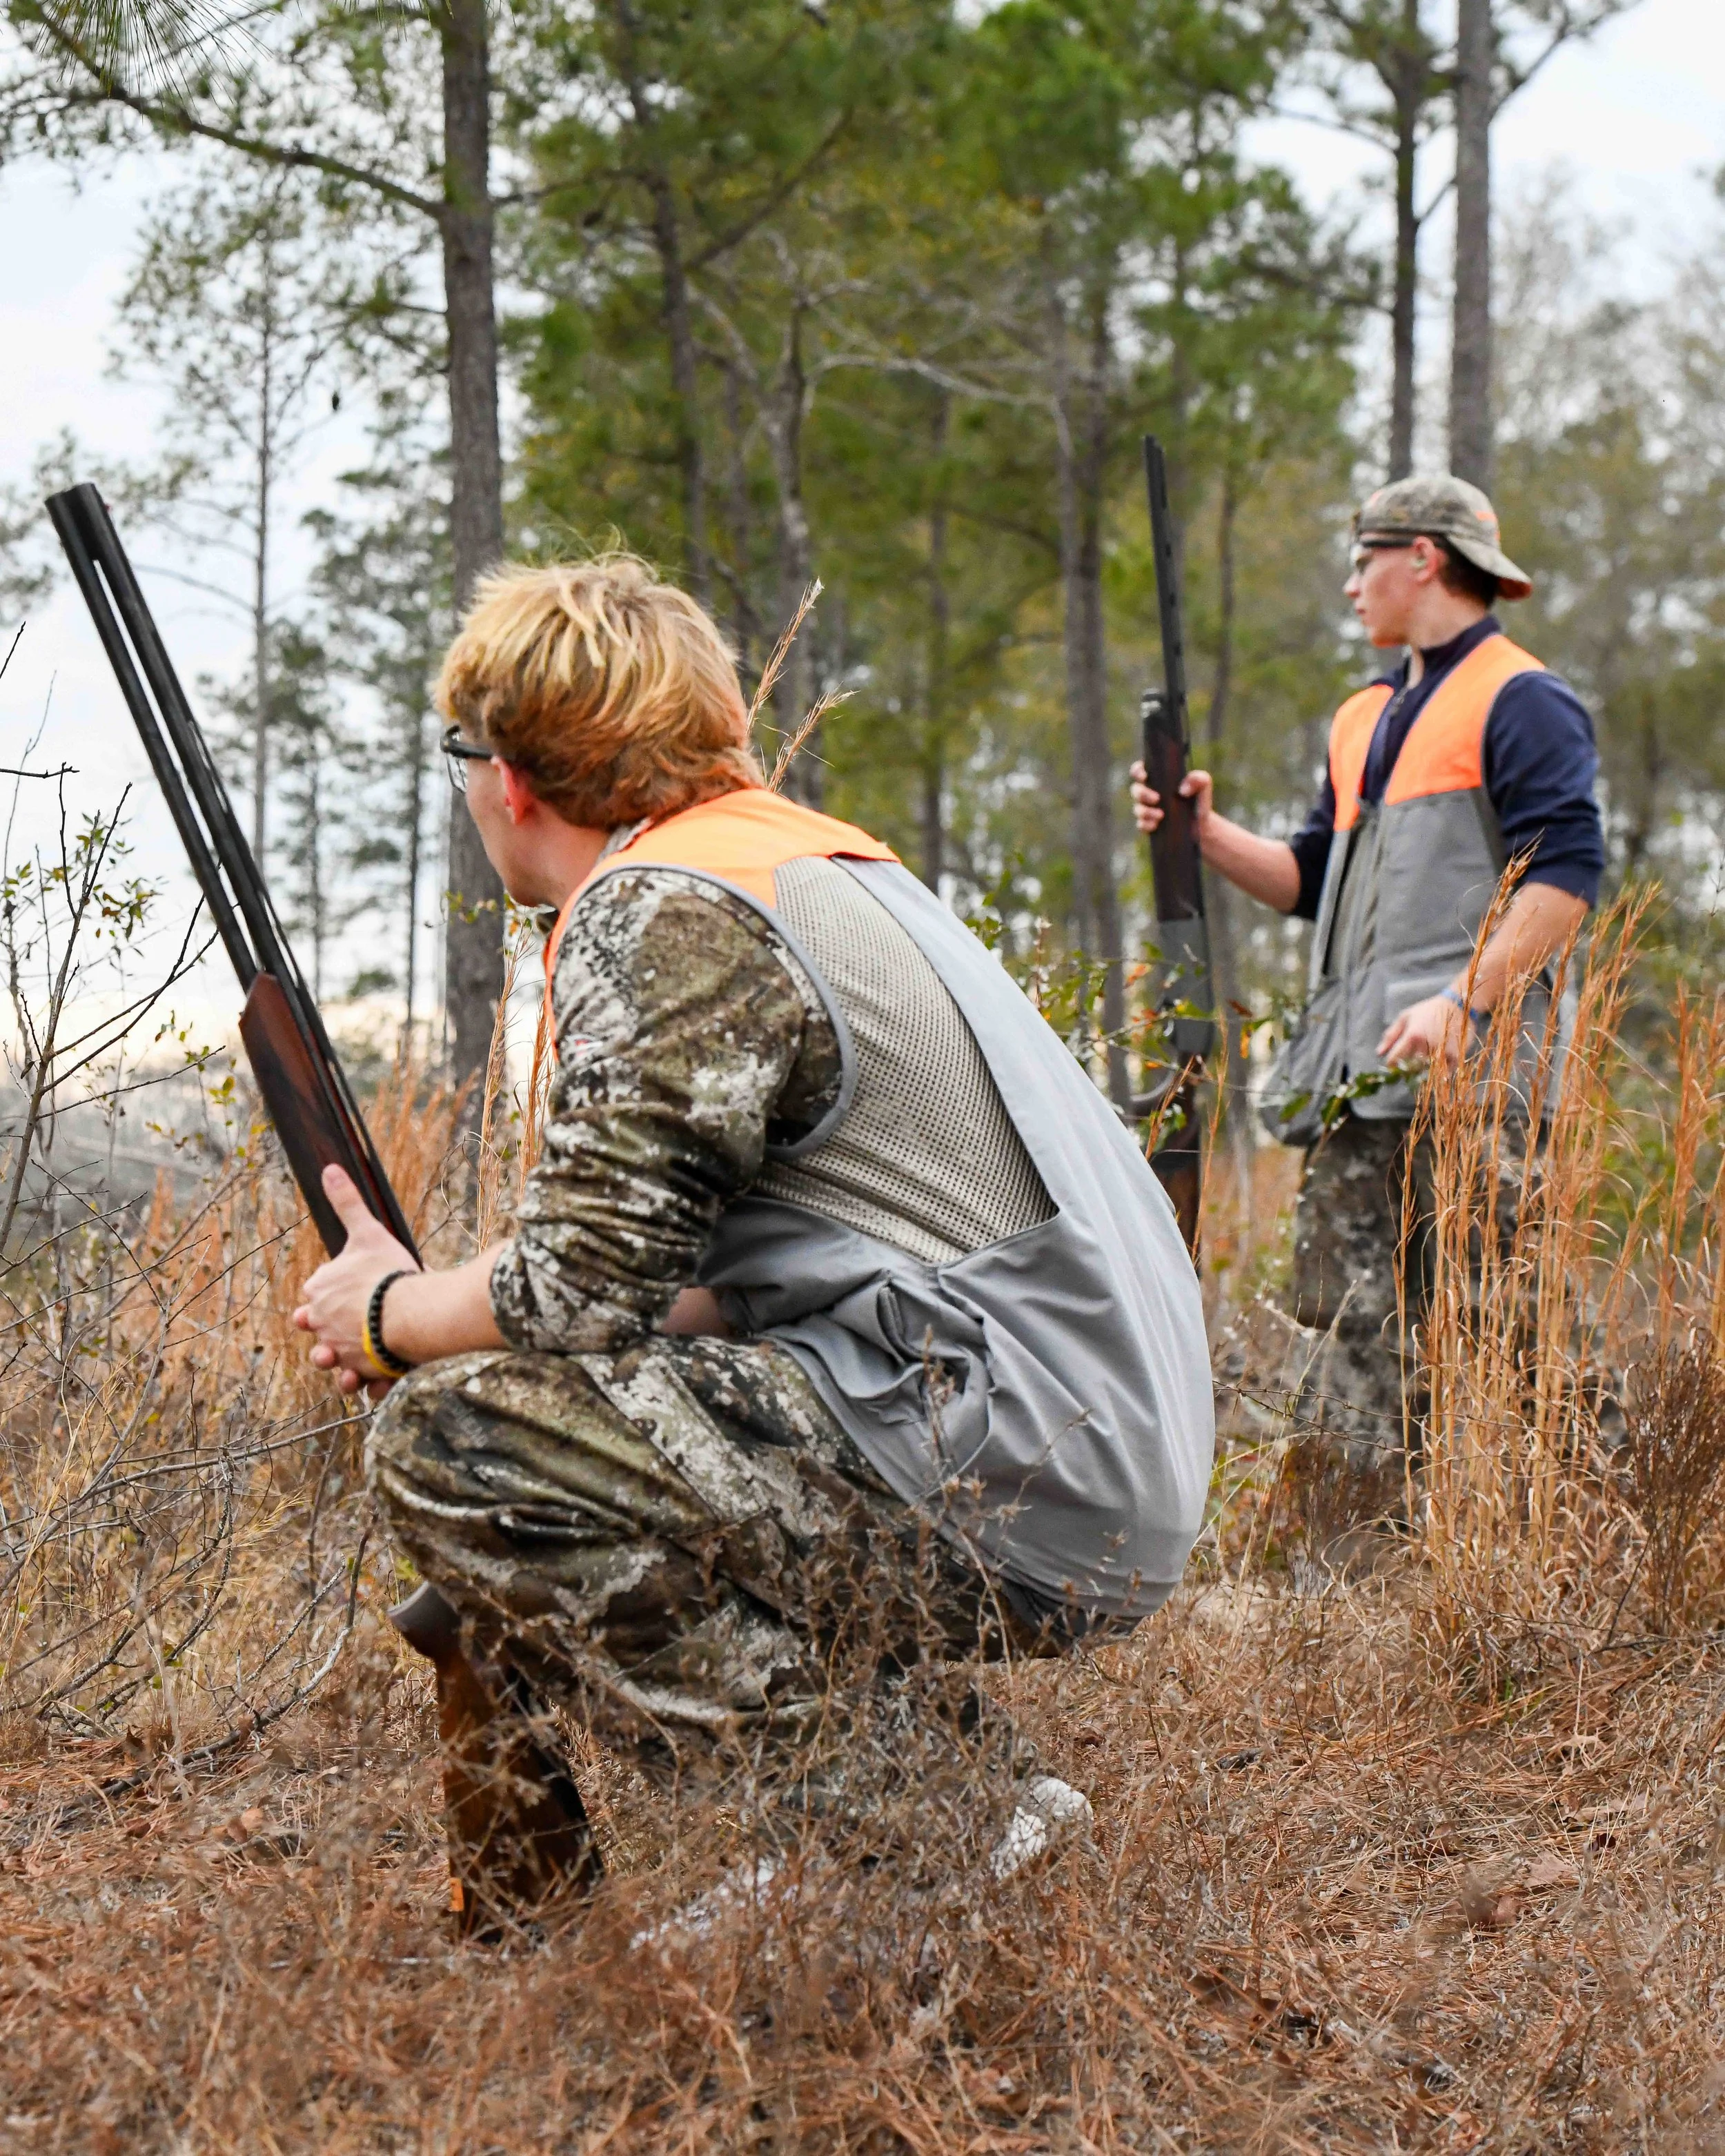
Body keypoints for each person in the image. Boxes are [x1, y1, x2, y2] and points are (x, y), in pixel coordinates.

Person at [295, 554, 1213, 1932]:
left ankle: (920, 1821)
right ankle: (969, 1788)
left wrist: (388, 1313)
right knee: (558, 1415)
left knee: (455, 1439)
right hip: (1063, 1437)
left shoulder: (665, 905)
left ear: (512, 779)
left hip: (1005, 1448)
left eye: (462, 754)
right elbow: (689, 1289)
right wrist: (449, 1312)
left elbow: (576, 1285)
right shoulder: (795, 865)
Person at [1130, 475, 1604, 1510]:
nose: (1351, 585)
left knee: (1509, 1324)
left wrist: (1465, 1003)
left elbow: (1567, 874)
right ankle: (1351, 1566)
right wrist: (1201, 835)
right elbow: (1309, 878)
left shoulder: (1522, 699)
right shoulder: (1365, 717)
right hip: (1359, 1084)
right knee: (1343, 1317)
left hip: (1474, 1088)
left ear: (1424, 558)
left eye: (1365, 560)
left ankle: (1589, 1550)